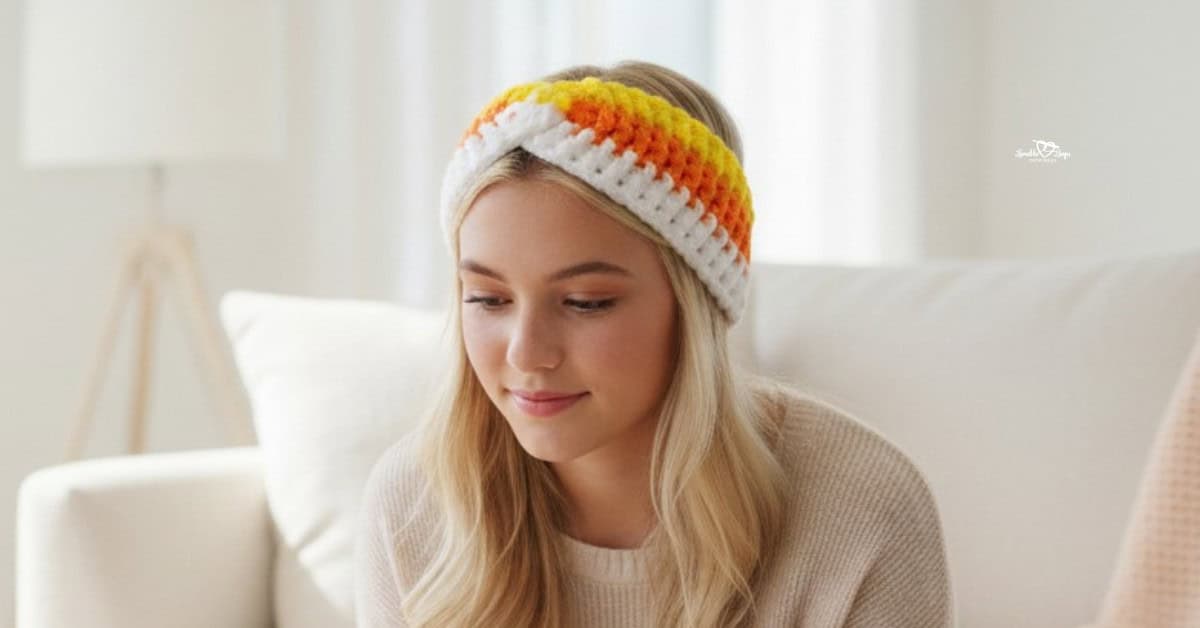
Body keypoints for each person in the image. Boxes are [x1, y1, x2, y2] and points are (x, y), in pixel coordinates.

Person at [354, 59, 956, 627]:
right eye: (488, 299)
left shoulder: (861, 508)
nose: (525, 353)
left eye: (586, 302)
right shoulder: (413, 507)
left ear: (695, 306)